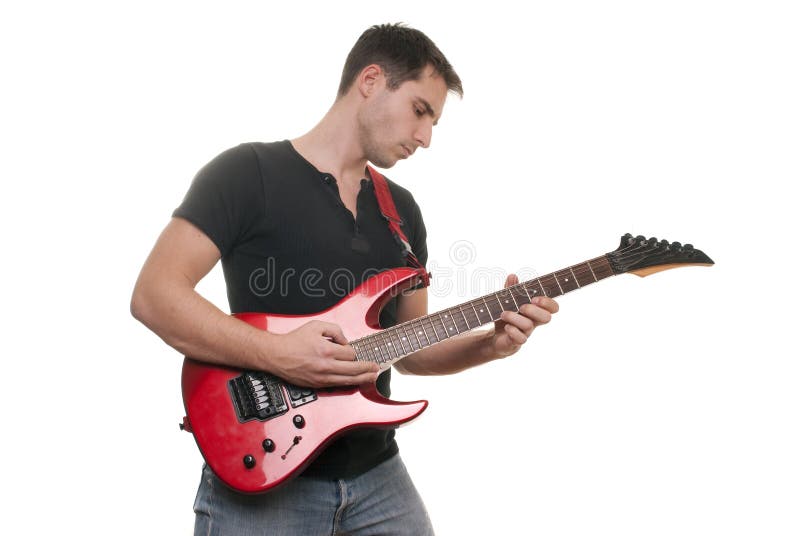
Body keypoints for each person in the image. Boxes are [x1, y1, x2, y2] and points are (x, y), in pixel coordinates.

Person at [131, 22, 559, 536]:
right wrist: (278, 354)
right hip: (264, 473)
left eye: (434, 124)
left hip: (378, 478)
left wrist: (490, 345)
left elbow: (411, 347)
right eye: (421, 111)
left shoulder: (402, 211)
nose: (425, 138)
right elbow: (154, 295)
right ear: (371, 79)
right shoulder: (246, 173)